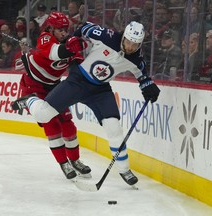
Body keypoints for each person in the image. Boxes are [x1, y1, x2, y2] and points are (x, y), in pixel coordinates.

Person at [11, 21, 160, 187]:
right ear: (124, 36)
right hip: (78, 81)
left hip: (101, 91)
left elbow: (143, 77)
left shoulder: (137, 59)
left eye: (135, 44)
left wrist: (149, 87)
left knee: (114, 128)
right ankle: (28, 100)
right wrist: (72, 41)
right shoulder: (106, 36)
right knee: (43, 114)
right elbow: (84, 26)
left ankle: (124, 170)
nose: (131, 46)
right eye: (129, 41)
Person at [13, 12, 91, 180]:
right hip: (33, 86)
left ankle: (75, 160)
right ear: (50, 28)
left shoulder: (67, 41)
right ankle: (63, 163)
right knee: (52, 125)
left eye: (66, 29)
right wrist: (71, 47)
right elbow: (55, 54)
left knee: (68, 123)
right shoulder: (45, 38)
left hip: (53, 86)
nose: (64, 33)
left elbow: (77, 64)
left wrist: (79, 52)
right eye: (60, 29)